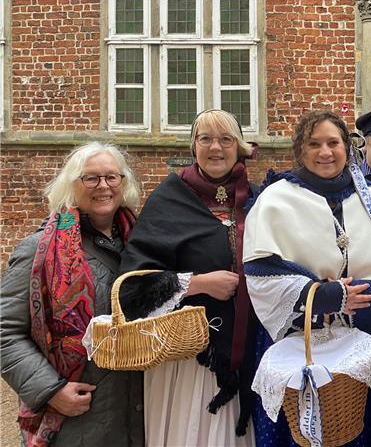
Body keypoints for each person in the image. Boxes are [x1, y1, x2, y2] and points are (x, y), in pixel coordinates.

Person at [243, 110, 371, 446]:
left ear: (348, 148)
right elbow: (260, 274)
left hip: (364, 353)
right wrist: (326, 296)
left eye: (333, 143)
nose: (325, 152)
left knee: (359, 430)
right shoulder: (275, 199)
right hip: (301, 345)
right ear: (300, 151)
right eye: (314, 144)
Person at [118, 109, 257, 446]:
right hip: (189, 356)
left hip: (252, 351)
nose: (216, 148)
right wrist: (198, 283)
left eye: (226, 139)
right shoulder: (169, 198)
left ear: (239, 146)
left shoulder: (257, 198)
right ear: (193, 146)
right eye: (205, 138)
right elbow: (133, 285)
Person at [0, 143, 143, 446]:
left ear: (123, 183)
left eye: (112, 177)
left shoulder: (144, 245)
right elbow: (5, 332)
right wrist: (51, 391)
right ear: (71, 185)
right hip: (77, 421)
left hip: (143, 415)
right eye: (90, 178)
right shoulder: (39, 250)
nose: (103, 186)